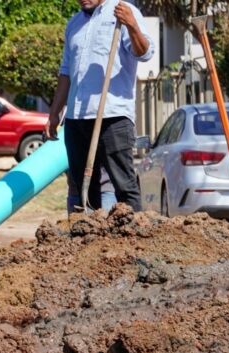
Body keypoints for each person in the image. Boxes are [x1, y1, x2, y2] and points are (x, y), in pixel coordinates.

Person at [44, 0, 155, 213]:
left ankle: (133, 239)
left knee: (124, 184)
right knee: (81, 186)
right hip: (77, 117)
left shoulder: (123, 13)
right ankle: (90, 239)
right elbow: (66, 72)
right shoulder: (74, 24)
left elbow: (144, 53)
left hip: (113, 115)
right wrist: (54, 113)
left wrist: (132, 25)